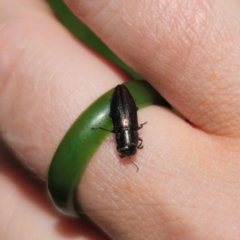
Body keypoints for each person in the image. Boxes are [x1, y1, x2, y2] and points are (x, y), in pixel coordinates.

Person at [1, 0, 240, 239]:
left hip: (123, 109)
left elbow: (124, 127)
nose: (127, 151)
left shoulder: (127, 138)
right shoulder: (128, 138)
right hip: (123, 107)